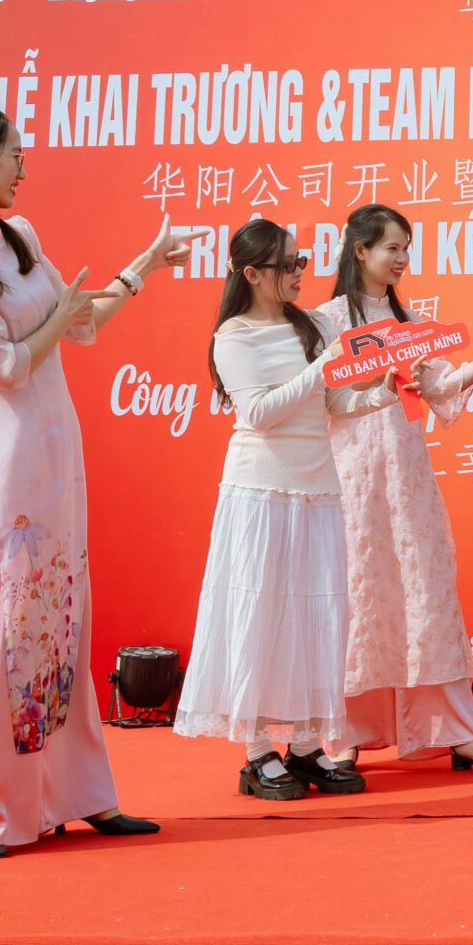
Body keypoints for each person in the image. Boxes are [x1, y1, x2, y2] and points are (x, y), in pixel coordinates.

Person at [0, 105, 191, 857]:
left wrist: (144, 265)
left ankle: (77, 793)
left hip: (55, 449)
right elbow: (3, 367)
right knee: (3, 628)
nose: (23, 168)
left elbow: (80, 321)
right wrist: (56, 319)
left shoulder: (20, 237)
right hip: (6, 463)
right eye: (13, 154)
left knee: (61, 617)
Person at [316, 203, 473, 776]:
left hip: (407, 477)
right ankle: (343, 736)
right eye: (392, 247)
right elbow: (318, 400)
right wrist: (372, 377)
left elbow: (442, 388)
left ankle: (458, 733)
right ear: (360, 250)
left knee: (425, 593)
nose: (402, 259)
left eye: (406, 248)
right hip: (351, 478)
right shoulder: (325, 322)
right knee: (359, 595)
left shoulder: (410, 323)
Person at [172, 220, 366, 801]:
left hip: (317, 489)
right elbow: (258, 413)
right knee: (257, 616)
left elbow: (336, 401)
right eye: (289, 264)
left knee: (314, 616)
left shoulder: (315, 325)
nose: (300, 272)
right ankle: (257, 753)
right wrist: (319, 369)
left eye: (302, 260)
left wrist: (385, 390)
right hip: (259, 492)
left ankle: (305, 746)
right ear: (252, 273)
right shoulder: (233, 336)